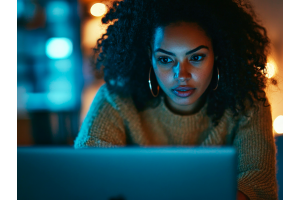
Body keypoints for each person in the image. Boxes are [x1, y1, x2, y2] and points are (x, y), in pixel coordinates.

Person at [74, 0, 278, 199]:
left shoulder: (249, 104)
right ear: (149, 56)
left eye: (196, 57)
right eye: (165, 59)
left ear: (218, 53)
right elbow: (87, 179)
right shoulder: (115, 99)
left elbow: (258, 190)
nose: (182, 75)